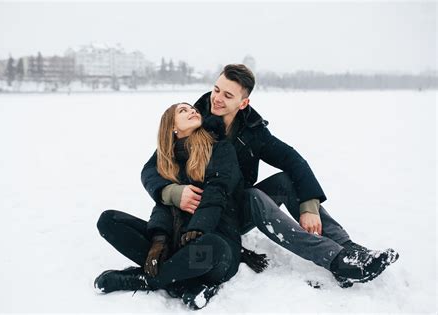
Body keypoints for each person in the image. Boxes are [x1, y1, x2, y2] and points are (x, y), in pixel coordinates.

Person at [141, 64, 399, 288]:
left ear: (243, 103)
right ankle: (335, 260)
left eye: (227, 95)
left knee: (285, 181)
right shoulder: (193, 121)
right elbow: (151, 168)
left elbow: (293, 160)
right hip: (207, 215)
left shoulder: (252, 131)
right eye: (216, 89)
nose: (216, 98)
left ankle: (348, 248)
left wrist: (309, 207)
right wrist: (173, 193)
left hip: (237, 206)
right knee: (254, 196)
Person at [95, 102, 254, 310]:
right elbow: (163, 204)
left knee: (210, 247)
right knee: (108, 220)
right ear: (172, 127)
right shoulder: (167, 161)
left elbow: (217, 191)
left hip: (217, 244)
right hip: (177, 245)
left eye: (193, 109)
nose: (193, 111)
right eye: (183, 110)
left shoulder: (220, 148)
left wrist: (198, 229)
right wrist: (159, 241)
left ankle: (147, 279)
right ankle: (180, 280)